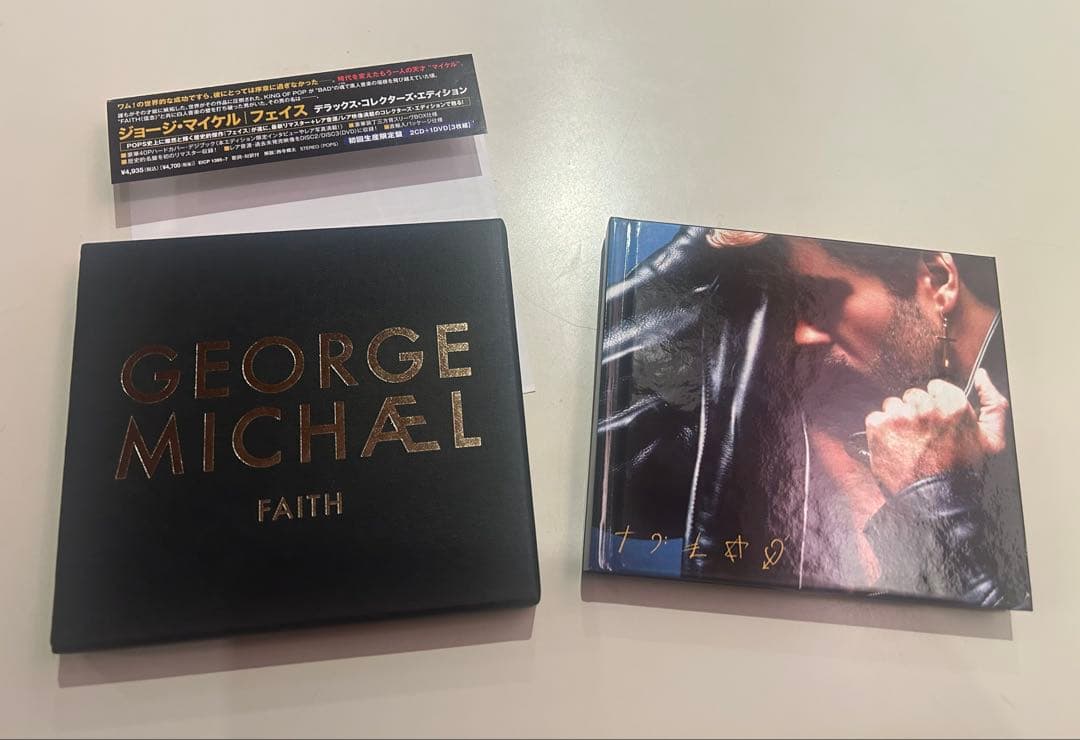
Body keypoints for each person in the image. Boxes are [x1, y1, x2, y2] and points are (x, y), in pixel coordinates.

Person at [592, 226, 1031, 608]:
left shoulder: (1036, 432)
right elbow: (601, 464)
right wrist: (695, 255)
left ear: (937, 279)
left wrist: (937, 499)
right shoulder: (790, 380)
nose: (802, 334)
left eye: (824, 301)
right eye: (794, 305)